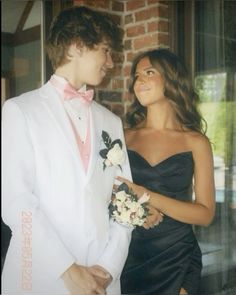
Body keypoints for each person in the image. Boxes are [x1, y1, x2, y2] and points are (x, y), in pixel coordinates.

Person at [1, 6, 134, 295]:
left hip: (102, 281)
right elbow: (16, 203)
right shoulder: (20, 111)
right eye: (106, 51)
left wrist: (109, 268)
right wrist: (68, 270)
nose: (110, 63)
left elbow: (126, 202)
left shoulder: (112, 122)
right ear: (76, 46)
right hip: (38, 277)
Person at [117, 49, 215, 295]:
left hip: (178, 260)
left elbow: (205, 214)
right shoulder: (124, 137)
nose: (139, 81)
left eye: (149, 73)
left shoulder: (196, 142)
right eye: (137, 76)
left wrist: (148, 196)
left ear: (171, 79)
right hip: (129, 257)